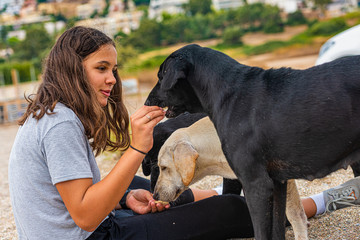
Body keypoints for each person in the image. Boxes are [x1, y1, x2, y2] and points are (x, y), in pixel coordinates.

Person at [8, 26, 360, 240]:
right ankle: (324, 202)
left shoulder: (50, 115)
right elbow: (84, 215)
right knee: (230, 212)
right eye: (102, 68)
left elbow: (72, 200)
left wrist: (122, 200)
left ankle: (204, 193)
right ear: (72, 69)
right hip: (95, 235)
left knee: (140, 189)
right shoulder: (61, 124)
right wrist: (135, 149)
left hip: (85, 226)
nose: (112, 79)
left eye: (113, 69)